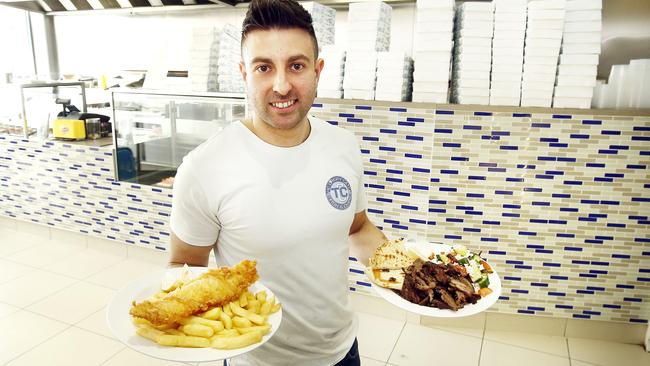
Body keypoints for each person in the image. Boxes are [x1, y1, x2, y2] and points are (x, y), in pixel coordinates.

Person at [169, 0, 387, 364]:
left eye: (296, 66)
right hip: (252, 357)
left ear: (317, 71)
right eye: (264, 67)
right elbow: (183, 266)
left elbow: (359, 228)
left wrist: (411, 273)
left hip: (342, 352)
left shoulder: (343, 146)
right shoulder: (204, 167)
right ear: (244, 73)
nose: (282, 85)